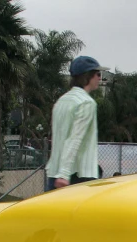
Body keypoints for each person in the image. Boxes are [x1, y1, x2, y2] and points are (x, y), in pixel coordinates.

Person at [44, 56, 109, 191]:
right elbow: (75, 139)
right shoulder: (86, 103)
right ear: (88, 77)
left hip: (54, 173)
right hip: (77, 175)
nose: (99, 78)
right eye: (98, 74)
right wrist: (64, 174)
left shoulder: (61, 101)